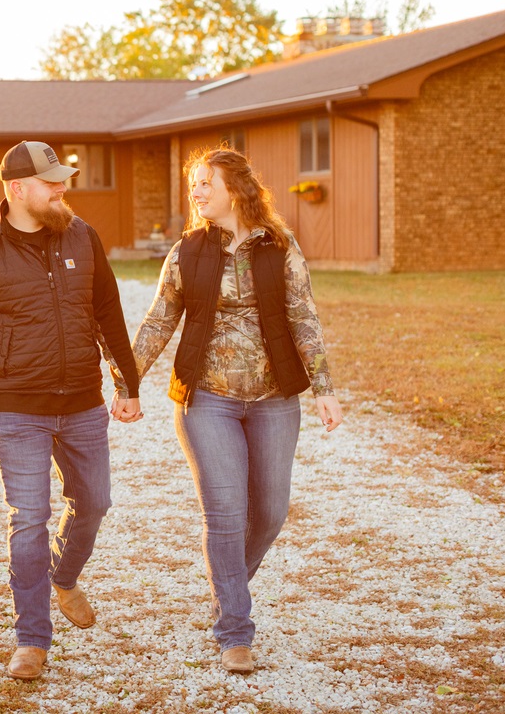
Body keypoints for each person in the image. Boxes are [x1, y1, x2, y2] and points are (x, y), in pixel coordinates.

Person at [113, 146, 344, 674]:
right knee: (224, 512)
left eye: (203, 183)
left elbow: (304, 318)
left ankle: (226, 589)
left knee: (269, 512)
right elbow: (157, 322)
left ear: (235, 190)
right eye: (193, 184)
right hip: (206, 400)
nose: (194, 192)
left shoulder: (280, 248)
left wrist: (324, 387)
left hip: (275, 400)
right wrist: (128, 382)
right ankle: (235, 630)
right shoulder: (187, 251)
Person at [0, 139, 142, 681]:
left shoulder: (83, 236)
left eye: (63, 179)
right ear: (17, 189)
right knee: (29, 518)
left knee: (95, 502)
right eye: (51, 181)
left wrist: (127, 382)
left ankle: (64, 575)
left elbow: (108, 312)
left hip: (82, 399)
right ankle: (31, 639)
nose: (62, 188)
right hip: (15, 405)